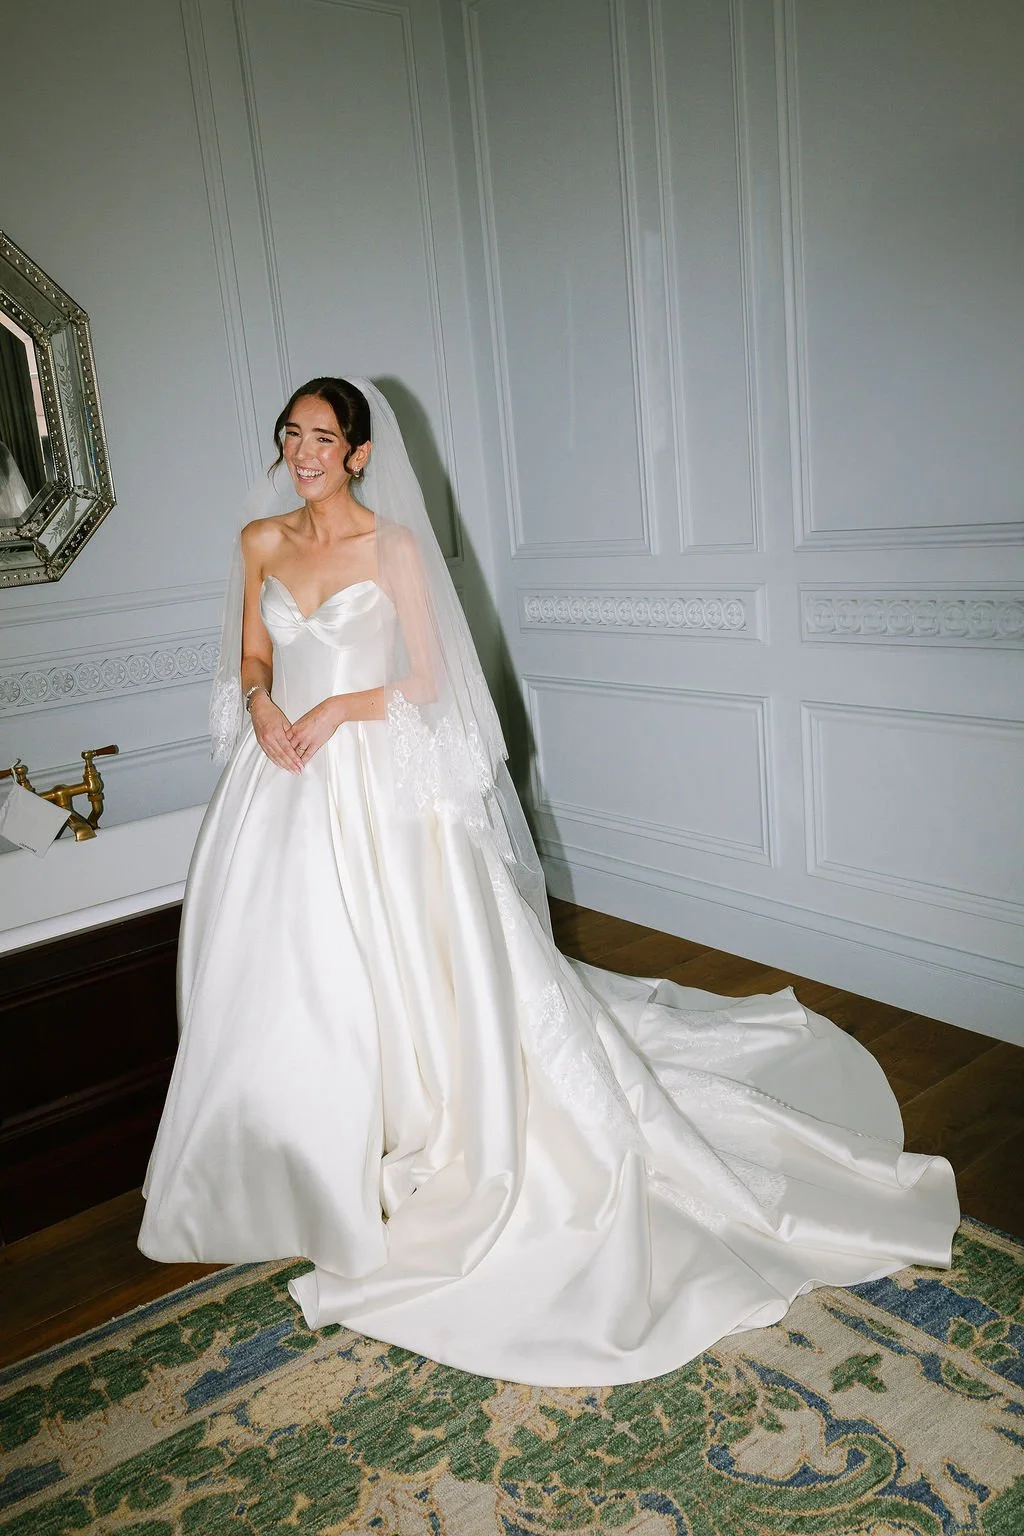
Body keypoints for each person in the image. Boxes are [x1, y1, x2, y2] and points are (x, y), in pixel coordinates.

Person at [139, 377, 959, 1387]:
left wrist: (334, 710)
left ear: (358, 453)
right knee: (289, 973)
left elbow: (428, 683)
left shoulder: (395, 548)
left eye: (322, 437)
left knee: (410, 963)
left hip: (371, 780)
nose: (302, 452)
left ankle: (422, 1132)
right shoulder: (260, 540)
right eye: (290, 434)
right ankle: (290, 1154)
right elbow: (253, 654)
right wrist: (264, 703)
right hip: (282, 784)